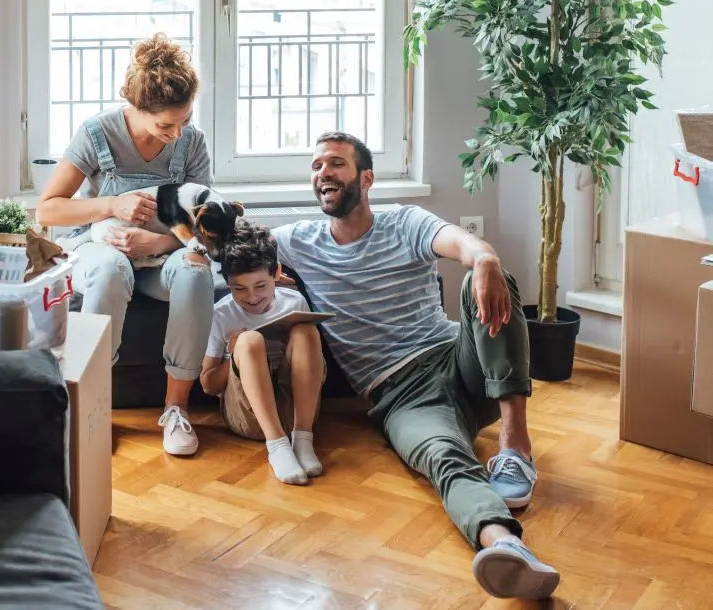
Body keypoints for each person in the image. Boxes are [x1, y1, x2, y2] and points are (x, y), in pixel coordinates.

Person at [271, 131, 560, 600]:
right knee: (444, 459)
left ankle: (515, 445)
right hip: (402, 397)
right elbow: (226, 243)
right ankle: (506, 547)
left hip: (460, 361)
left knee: (487, 277)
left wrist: (484, 257)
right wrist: (140, 230)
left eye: (336, 164)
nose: (323, 173)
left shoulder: (405, 221)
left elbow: (464, 244)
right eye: (316, 166)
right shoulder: (297, 241)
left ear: (366, 178)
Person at [36, 33, 213, 456]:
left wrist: (159, 240)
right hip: (98, 246)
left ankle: (176, 409)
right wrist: (112, 204)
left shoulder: (191, 141)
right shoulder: (97, 133)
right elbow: (48, 211)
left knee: (195, 272)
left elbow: (206, 221)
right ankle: (92, 407)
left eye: (184, 120)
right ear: (136, 108)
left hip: (163, 251)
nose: (177, 133)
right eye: (166, 124)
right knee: (110, 270)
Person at [199, 220, 326, 486]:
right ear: (228, 284)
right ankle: (277, 445)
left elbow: (307, 358)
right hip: (247, 416)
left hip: (295, 412)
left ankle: (303, 440)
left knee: (306, 330)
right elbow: (209, 385)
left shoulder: (293, 301)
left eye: (260, 286)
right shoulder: (222, 314)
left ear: (277, 273)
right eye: (238, 289)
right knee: (249, 341)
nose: (252, 298)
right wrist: (232, 353)